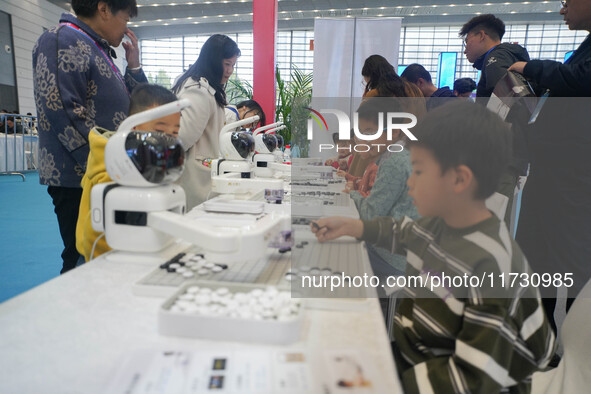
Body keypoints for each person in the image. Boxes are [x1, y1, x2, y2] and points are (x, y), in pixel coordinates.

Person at [312, 101, 555, 393]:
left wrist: (387, 381)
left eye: (418, 172)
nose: (410, 183)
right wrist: (355, 226)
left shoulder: (491, 267)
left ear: (458, 179)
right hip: (422, 356)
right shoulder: (445, 225)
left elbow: (472, 380)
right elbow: (402, 232)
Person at [33, 0, 147, 274]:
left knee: (100, 253)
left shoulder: (94, 45)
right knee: (81, 256)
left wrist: (133, 68)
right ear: (104, 9)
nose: (126, 27)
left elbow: (140, 103)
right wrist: (105, 164)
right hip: (81, 175)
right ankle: (73, 314)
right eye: (125, 18)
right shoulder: (62, 39)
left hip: (99, 172)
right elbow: (62, 110)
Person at [507, 0, 591, 333]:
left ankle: (575, 353)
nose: (563, 8)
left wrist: (529, 67)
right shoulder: (584, 46)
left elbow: (579, 79)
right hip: (551, 173)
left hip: (573, 177)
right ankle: (537, 339)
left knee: (570, 260)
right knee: (536, 255)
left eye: (568, 1)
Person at [76, 83, 181, 262]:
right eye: (159, 131)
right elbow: (95, 233)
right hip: (103, 258)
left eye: (174, 132)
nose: (168, 139)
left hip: (136, 251)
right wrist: (103, 267)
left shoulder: (147, 160)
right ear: (133, 128)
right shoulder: (114, 168)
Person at [460, 14, 532, 226]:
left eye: (467, 42)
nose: (465, 49)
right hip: (510, 154)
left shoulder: (496, 58)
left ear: (482, 35)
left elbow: (511, 100)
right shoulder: (511, 55)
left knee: (491, 221)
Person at [172, 34, 240, 210]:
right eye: (227, 64)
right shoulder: (198, 91)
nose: (230, 70)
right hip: (195, 179)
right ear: (213, 61)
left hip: (203, 176)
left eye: (233, 65)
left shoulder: (208, 87)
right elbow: (182, 138)